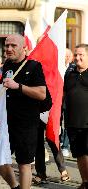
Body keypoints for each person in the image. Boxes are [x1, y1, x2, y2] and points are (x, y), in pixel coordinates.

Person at [0, 34, 46, 189]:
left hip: (26, 124)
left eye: (13, 45)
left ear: (24, 47)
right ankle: (15, 186)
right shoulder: (6, 66)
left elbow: (41, 93)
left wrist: (18, 86)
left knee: (24, 163)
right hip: (6, 122)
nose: (9, 49)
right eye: (7, 45)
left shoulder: (34, 66)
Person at [64, 44, 88, 189]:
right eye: (76, 54)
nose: (77, 57)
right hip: (72, 121)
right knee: (79, 154)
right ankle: (85, 182)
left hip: (87, 122)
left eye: (81, 55)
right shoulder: (70, 73)